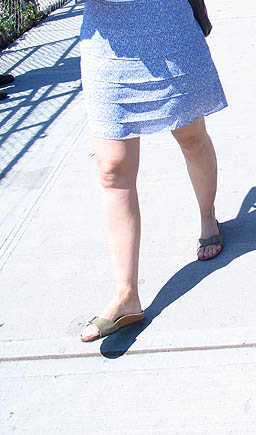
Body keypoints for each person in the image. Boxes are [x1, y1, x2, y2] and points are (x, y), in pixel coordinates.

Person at [79, 0, 227, 342]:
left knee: (191, 139)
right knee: (113, 170)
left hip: (166, 28)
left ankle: (208, 216)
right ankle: (126, 294)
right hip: (107, 43)